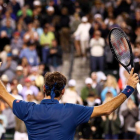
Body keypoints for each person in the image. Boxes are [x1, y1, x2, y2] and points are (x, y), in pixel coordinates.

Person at [0, 63, 139, 140]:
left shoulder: (28, 109)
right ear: (63, 91)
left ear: (43, 88)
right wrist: (129, 89)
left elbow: (3, 93)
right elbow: (107, 109)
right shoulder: (72, 111)